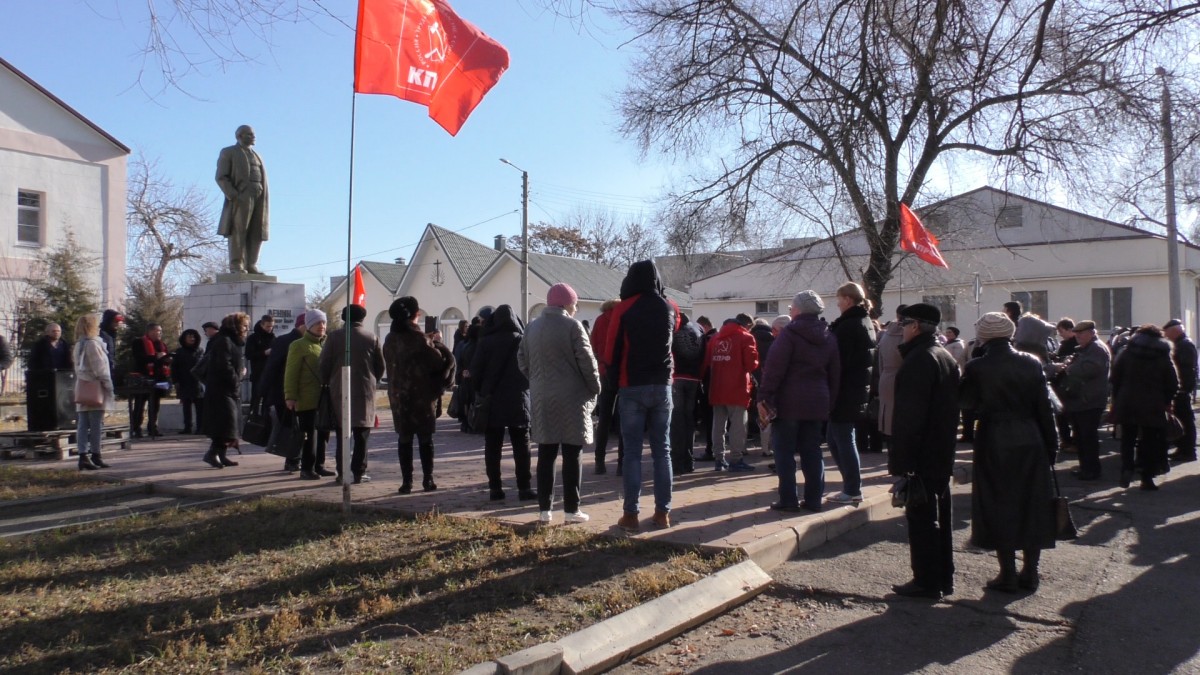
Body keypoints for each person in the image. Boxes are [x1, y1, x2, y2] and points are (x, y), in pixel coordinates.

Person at [959, 312, 1058, 593]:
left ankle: (1008, 574)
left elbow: (965, 401)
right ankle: (1031, 571)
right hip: (1031, 436)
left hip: (994, 438)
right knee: (1032, 503)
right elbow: (1045, 408)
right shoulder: (1031, 362)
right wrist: (1052, 445)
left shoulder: (978, 366)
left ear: (984, 338)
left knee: (999, 503)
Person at [889, 303, 960, 599]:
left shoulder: (920, 359)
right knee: (939, 518)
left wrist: (903, 462)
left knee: (922, 519)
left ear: (916, 326)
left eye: (904, 324)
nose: (901, 329)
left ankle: (926, 581)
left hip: (923, 453)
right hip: (940, 449)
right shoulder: (943, 355)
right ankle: (942, 577)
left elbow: (909, 417)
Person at [603, 260, 680, 531]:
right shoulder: (671, 307)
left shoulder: (624, 308)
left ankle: (631, 515)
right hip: (662, 384)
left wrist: (611, 385)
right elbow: (675, 333)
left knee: (632, 453)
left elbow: (611, 351)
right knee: (663, 452)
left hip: (631, 385)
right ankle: (662, 513)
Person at [519, 284, 601, 523]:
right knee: (572, 452)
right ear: (566, 304)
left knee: (546, 453)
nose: (576, 308)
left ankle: (545, 510)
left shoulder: (531, 327)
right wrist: (596, 387)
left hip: (542, 396)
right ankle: (571, 510)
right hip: (572, 398)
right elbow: (587, 361)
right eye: (575, 304)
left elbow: (521, 359)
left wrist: (536, 380)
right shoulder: (573, 326)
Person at [758, 291, 840, 512]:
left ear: (799, 310)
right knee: (812, 452)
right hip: (817, 402)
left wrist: (764, 396)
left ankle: (788, 499)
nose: (790, 312)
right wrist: (829, 402)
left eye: (791, 308)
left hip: (788, 402)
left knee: (784, 452)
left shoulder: (789, 335)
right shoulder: (829, 336)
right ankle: (814, 500)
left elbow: (774, 369)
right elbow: (835, 374)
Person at [385, 297, 455, 493]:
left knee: (404, 439)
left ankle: (406, 482)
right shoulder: (419, 339)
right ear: (415, 315)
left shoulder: (390, 339)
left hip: (399, 398)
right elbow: (439, 363)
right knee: (425, 439)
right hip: (421, 398)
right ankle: (428, 480)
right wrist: (437, 344)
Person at [471, 305, 536, 500]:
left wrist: (481, 391)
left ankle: (495, 488)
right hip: (519, 398)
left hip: (492, 400)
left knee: (492, 445)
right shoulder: (522, 340)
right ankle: (524, 487)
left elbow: (475, 372)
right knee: (521, 445)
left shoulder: (485, 342)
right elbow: (531, 368)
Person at [318, 305, 385, 484]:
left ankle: (342, 472)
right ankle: (359, 472)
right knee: (362, 435)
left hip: (339, 390)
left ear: (344, 318)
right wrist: (372, 380)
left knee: (342, 434)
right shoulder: (371, 337)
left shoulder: (333, 337)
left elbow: (324, 363)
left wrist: (327, 381)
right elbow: (380, 366)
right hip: (365, 392)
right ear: (362, 319)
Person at [1110, 324, 1178, 491]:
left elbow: (1115, 377)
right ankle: (1146, 478)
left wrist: (1118, 397)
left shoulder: (1127, 352)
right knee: (1149, 441)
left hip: (1127, 401)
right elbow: (1172, 382)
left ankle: (1127, 468)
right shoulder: (1163, 355)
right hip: (1153, 404)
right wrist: (1167, 400)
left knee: (1128, 438)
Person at [826, 282, 875, 503]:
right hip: (852, 389)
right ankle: (851, 486)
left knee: (843, 439)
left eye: (838, 299)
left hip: (845, 390)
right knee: (837, 438)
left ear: (847, 299)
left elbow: (839, 361)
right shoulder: (862, 321)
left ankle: (853, 489)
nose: (837, 304)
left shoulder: (850, 325)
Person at [1053, 320, 1111, 481]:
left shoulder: (1097, 349)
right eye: (1076, 333)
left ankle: (1091, 470)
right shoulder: (1087, 349)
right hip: (1082, 400)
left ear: (1092, 333)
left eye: (1081, 333)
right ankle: (1086, 467)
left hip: (1090, 401)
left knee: (1088, 437)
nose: (1078, 336)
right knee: (1081, 437)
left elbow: (1089, 369)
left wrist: (1068, 367)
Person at [702, 318, 759, 472]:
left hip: (717, 387)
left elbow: (706, 362)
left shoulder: (714, 339)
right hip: (737, 387)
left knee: (718, 425)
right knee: (738, 425)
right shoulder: (746, 337)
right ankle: (736, 459)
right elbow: (751, 363)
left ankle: (719, 459)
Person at [284, 309, 335, 480]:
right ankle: (306, 468)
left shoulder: (326, 343)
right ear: (308, 325)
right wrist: (290, 396)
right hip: (306, 397)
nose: (321, 326)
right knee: (309, 435)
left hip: (324, 398)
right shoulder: (298, 345)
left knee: (323, 433)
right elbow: (291, 372)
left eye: (323, 323)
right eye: (317, 323)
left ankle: (319, 465)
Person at [215, 124, 269, 274]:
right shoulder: (229, 152)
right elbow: (221, 177)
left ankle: (251, 264)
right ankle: (236, 264)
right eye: (249, 134)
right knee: (239, 230)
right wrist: (234, 195)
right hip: (241, 197)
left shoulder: (257, 155)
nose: (253, 137)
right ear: (239, 136)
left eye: (253, 134)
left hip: (259, 196)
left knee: (257, 230)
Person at [201, 312, 249, 469]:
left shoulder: (231, 341)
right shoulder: (224, 341)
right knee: (225, 424)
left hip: (227, 389)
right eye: (244, 325)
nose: (246, 328)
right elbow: (224, 366)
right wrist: (238, 376)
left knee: (228, 424)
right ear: (235, 326)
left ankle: (221, 455)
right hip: (220, 390)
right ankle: (212, 453)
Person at [260, 312, 306, 471]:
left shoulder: (311, 341)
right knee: (292, 427)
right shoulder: (284, 341)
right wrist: (263, 392)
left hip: (297, 393)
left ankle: (295, 459)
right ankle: (293, 459)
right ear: (302, 325)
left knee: (296, 427)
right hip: (284, 393)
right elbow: (272, 368)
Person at [72, 313, 114, 470]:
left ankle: (83, 455)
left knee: (83, 423)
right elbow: (100, 368)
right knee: (96, 423)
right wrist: (109, 387)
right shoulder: (93, 344)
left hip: (83, 387)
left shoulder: (79, 344)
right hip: (95, 388)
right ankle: (96, 454)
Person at [590, 298, 624, 474]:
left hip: (604, 370)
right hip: (621, 372)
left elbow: (593, 345)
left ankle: (599, 461)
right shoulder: (623, 318)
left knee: (604, 418)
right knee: (622, 418)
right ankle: (621, 463)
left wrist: (600, 361)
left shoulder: (600, 320)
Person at [669, 313, 705, 475]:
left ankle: (677, 463)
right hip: (694, 379)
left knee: (676, 422)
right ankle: (689, 461)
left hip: (677, 377)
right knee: (689, 420)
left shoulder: (672, 329)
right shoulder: (698, 329)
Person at [1163, 318, 1197, 463]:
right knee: (1182, 419)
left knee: (1185, 421)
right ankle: (1183, 449)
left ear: (1175, 331)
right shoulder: (1182, 344)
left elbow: (1183, 368)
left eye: (1168, 333)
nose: (1166, 336)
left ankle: (1188, 450)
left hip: (1182, 389)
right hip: (1181, 388)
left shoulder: (1185, 345)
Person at [130, 323, 171, 438]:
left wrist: (167, 359)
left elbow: (164, 360)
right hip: (143, 377)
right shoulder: (139, 342)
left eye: (160, 331)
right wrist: (156, 357)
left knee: (155, 404)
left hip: (158, 378)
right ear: (150, 331)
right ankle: (136, 428)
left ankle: (152, 427)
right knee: (140, 404)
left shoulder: (162, 345)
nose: (159, 333)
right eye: (157, 331)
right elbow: (139, 358)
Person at [874, 305, 907, 445]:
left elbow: (879, 360)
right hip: (902, 378)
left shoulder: (885, 334)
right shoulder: (907, 335)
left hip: (886, 376)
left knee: (887, 415)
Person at [171, 329, 204, 434]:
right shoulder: (179, 352)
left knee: (200, 407)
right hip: (184, 382)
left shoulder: (200, 351)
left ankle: (200, 428)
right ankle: (187, 427)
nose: (192, 339)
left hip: (197, 382)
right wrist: (175, 381)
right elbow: (174, 368)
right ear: (184, 339)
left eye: (193, 337)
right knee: (186, 406)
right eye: (189, 337)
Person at [244, 314, 276, 410]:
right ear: (262, 325)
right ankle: (253, 419)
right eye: (267, 326)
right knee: (256, 399)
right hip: (258, 373)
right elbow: (248, 355)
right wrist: (264, 353)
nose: (270, 328)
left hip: (270, 373)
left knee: (268, 401)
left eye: (271, 326)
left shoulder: (273, 338)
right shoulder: (253, 338)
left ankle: (266, 421)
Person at [99, 310, 123, 377]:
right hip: (104, 370)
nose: (118, 324)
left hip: (110, 369)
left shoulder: (112, 334)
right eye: (115, 321)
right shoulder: (102, 334)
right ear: (109, 321)